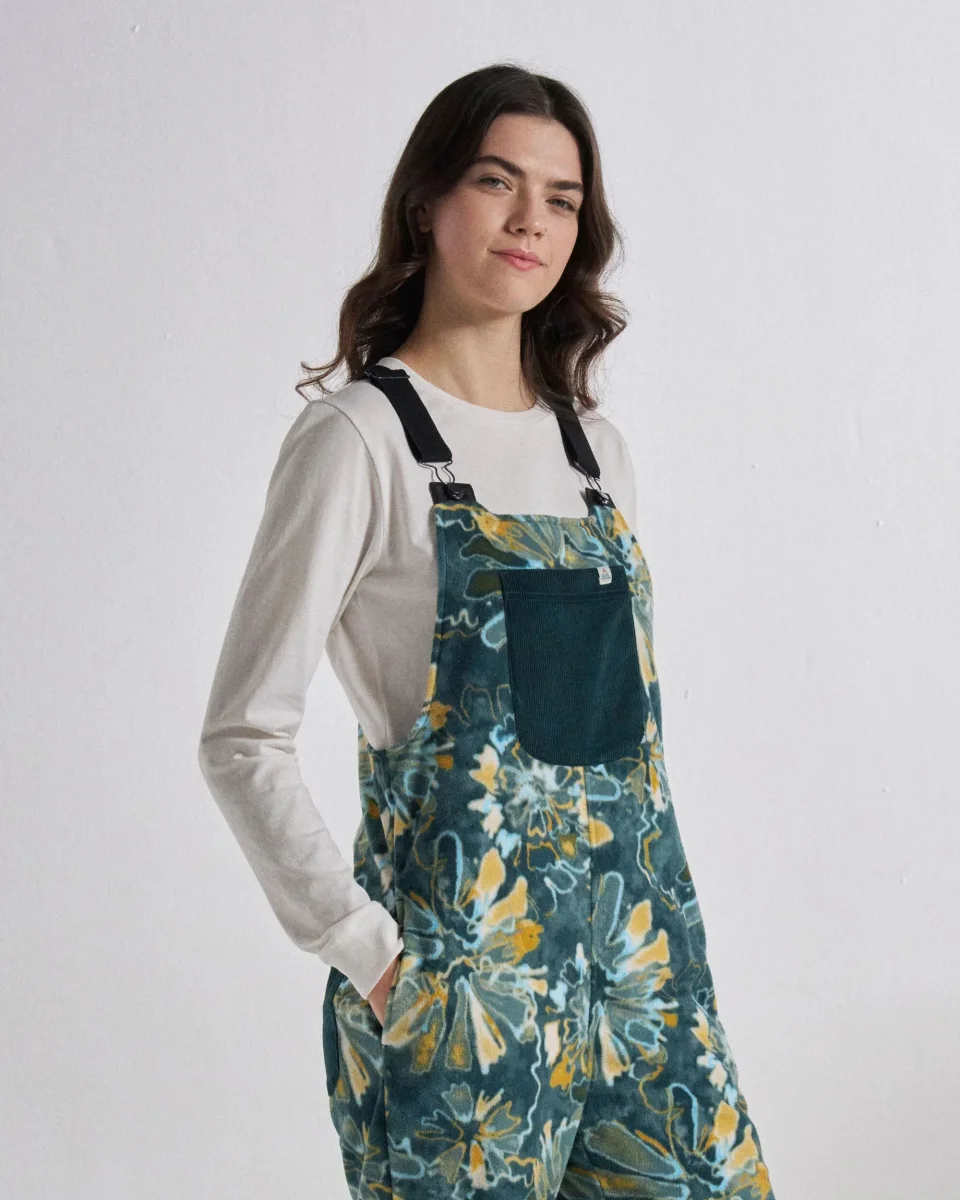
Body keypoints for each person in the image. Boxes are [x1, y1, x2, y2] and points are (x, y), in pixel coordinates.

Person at [198, 62, 775, 1200]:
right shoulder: (360, 440)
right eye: (496, 182)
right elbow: (242, 737)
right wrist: (373, 960)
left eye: (562, 198)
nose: (531, 222)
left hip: (643, 985)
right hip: (461, 1008)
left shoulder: (594, 454)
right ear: (427, 203)